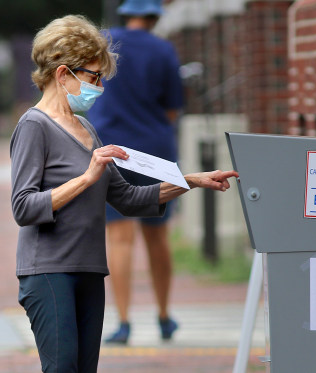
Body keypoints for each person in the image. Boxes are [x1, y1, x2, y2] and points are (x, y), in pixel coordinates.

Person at [10, 15, 238, 373]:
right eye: (93, 76)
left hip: (89, 268)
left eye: (102, 78)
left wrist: (190, 179)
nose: (100, 87)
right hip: (49, 271)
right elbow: (23, 207)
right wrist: (87, 177)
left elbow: (130, 198)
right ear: (62, 74)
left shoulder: (86, 127)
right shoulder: (33, 126)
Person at [88, 0, 184, 344]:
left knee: (119, 237)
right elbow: (173, 108)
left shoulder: (101, 42)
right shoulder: (163, 49)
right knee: (157, 237)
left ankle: (124, 322)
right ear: (155, 17)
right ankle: (163, 316)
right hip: (156, 152)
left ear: (126, 14)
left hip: (113, 151)